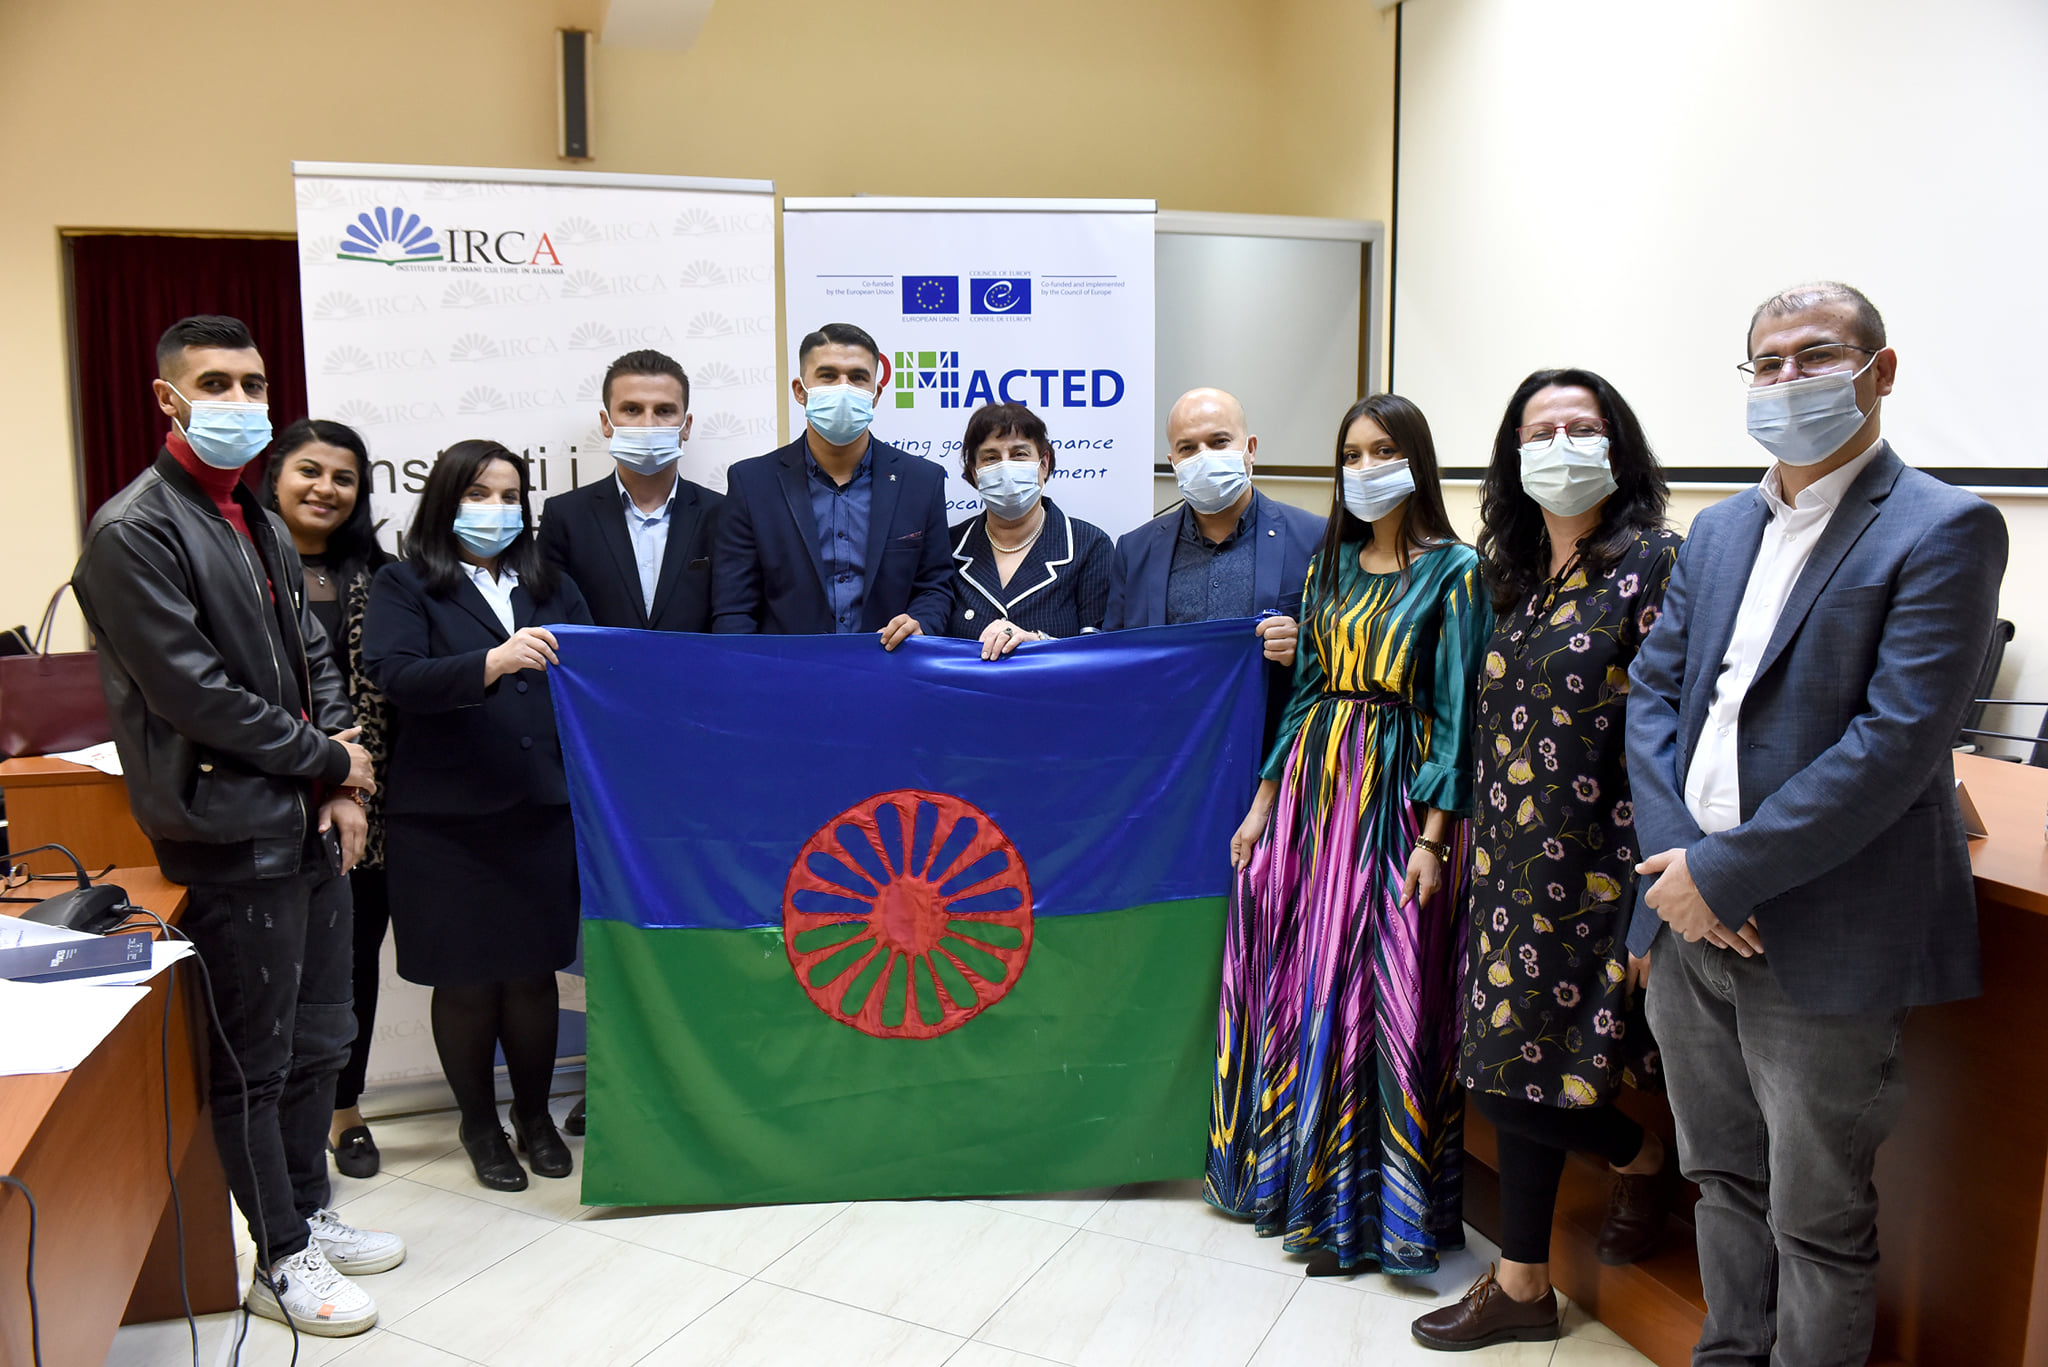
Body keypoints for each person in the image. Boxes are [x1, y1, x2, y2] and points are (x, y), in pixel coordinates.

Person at [1627, 282, 2007, 1366]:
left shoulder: (1943, 527)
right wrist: (1684, 871)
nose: (1786, 379)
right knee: (1719, 1178)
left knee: (1816, 1217)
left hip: (1823, 927)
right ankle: (1728, 1352)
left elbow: (1896, 743)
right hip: (1685, 913)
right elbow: (1655, 698)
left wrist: (1727, 874)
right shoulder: (1717, 530)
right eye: (1767, 362)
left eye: (1815, 356)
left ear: (1879, 371)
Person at [71, 315, 403, 1337]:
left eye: (253, 383)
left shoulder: (249, 512)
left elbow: (313, 655)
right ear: (168, 398)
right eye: (215, 383)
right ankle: (281, 1255)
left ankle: (308, 1209)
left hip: (307, 819)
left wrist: (341, 782)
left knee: (321, 1037)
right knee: (255, 1060)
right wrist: (329, 762)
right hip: (228, 827)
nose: (240, 401)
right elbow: (197, 695)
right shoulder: (134, 531)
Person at [1412, 370, 1681, 1350]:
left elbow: (1675, 735)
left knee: (1517, 1079)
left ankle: (1642, 1155)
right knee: (1505, 1071)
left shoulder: (1656, 563)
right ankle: (1524, 1283)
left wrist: (1653, 896)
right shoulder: (1514, 573)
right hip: (1511, 865)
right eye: (1540, 431)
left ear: (1617, 443)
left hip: (1603, 867)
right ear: (1512, 455)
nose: (1560, 445)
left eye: (1582, 426)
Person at [1210, 393, 1490, 1278]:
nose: (1366, 467)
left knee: (1385, 992)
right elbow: (1303, 691)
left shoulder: (1456, 570)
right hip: (1312, 791)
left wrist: (1434, 838)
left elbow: (1458, 717)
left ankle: (1379, 1214)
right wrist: (1262, 802)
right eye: (1353, 453)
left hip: (1399, 797)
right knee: (1306, 980)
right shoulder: (1327, 565)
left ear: (1417, 460)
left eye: (1383, 450)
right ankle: (1305, 1193)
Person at [364, 441, 592, 1192]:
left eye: (508, 495)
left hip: (541, 809)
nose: (496, 509)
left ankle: (533, 1116)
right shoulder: (404, 583)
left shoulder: (552, 583)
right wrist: (493, 661)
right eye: (477, 493)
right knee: (464, 981)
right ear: (444, 502)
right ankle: (479, 1125)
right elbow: (395, 674)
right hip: (445, 820)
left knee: (531, 975)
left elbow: (594, 672)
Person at [536, 347, 723, 1136]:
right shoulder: (565, 517)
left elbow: (733, 631)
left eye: (663, 410)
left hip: (699, 759)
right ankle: (614, 1076)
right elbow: (559, 630)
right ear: (606, 422)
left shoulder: (724, 515)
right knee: (610, 927)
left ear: (688, 421)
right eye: (633, 410)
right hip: (602, 763)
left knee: (696, 921)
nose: (649, 423)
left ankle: (697, 1081)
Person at [259, 419, 396, 1181]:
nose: (325, 488)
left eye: (344, 477)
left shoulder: (382, 573)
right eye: (309, 471)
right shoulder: (238, 562)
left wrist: (354, 780)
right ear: (276, 475)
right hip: (266, 793)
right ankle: (271, 1116)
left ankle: (344, 1110)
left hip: (365, 804)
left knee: (350, 964)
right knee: (271, 970)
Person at [712, 322, 952, 644]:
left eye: (858, 377)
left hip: (891, 666)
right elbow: (734, 608)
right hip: (786, 670)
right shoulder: (751, 483)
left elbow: (935, 586)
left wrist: (921, 623)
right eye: (828, 376)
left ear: (876, 394)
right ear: (800, 391)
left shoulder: (922, 480)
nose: (844, 388)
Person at [1103, 387, 1320, 712]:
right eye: (1187, 448)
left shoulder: (1314, 537)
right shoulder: (1134, 550)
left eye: (1219, 442)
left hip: (1271, 737)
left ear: (1250, 449)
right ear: (1173, 462)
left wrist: (1301, 648)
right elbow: (1112, 659)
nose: (1203, 457)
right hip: (1168, 736)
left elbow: (1345, 654)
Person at [943, 402, 1112, 656]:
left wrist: (1038, 642)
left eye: (1019, 454)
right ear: (975, 473)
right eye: (991, 457)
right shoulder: (949, 546)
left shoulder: (1089, 546)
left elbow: (1101, 653)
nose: (1005, 468)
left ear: (1044, 464)